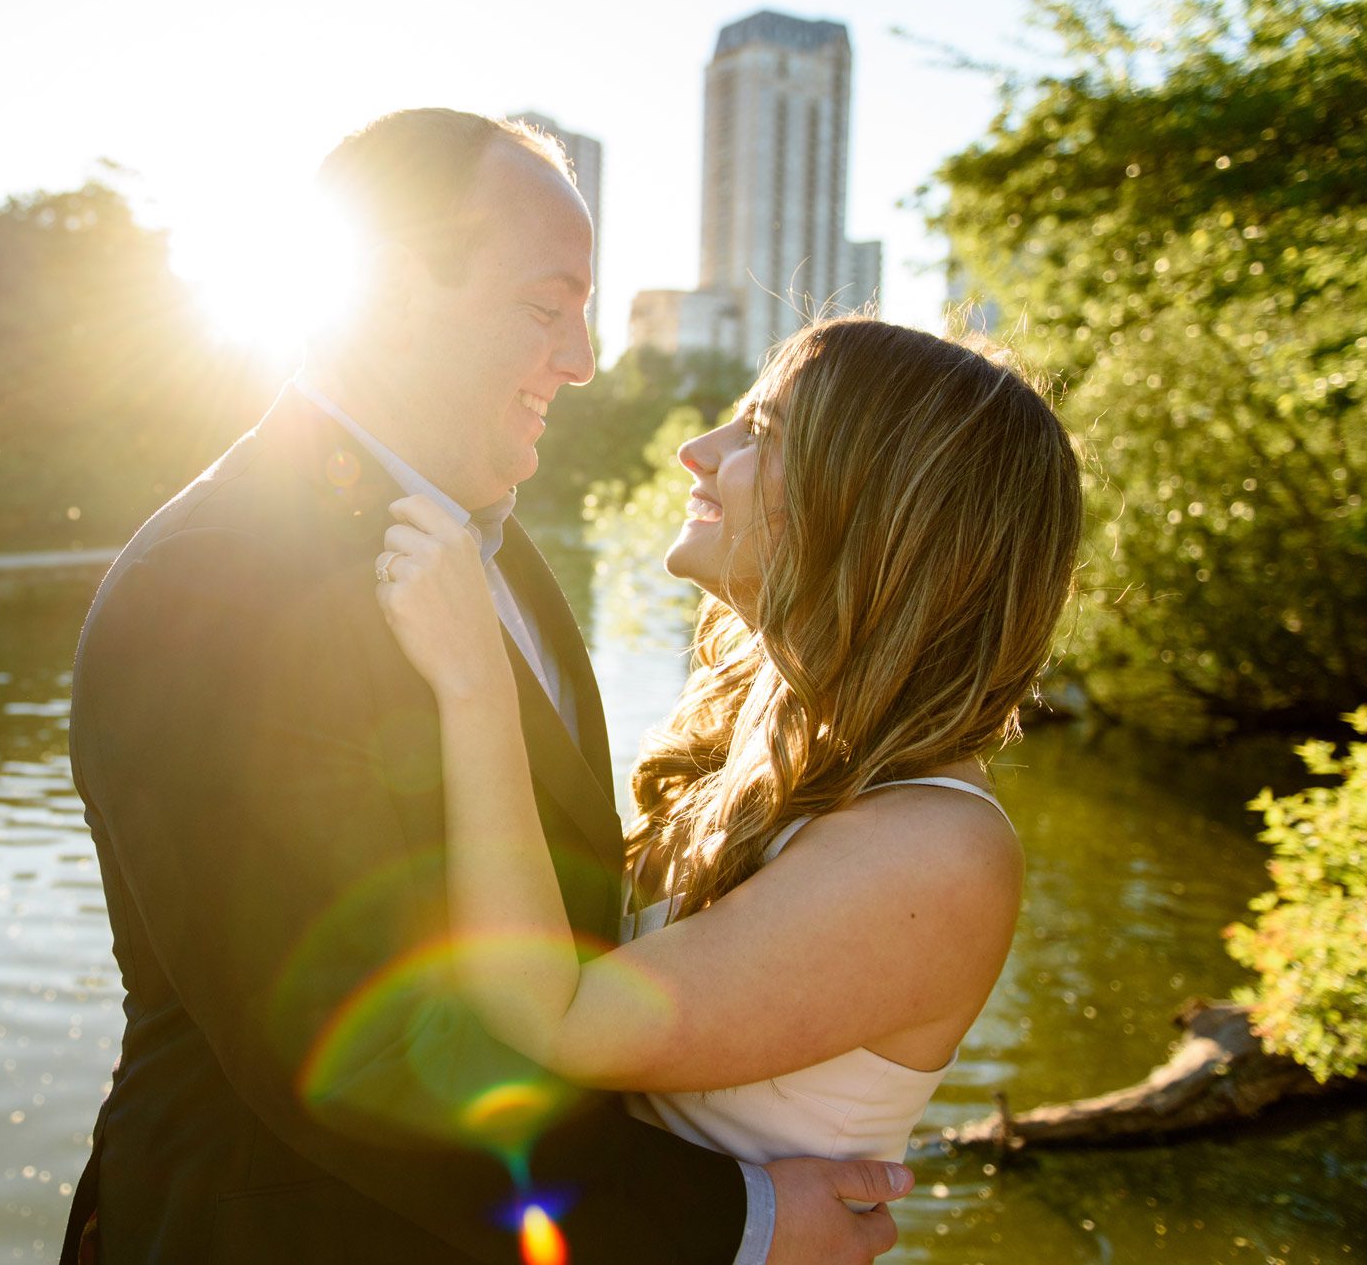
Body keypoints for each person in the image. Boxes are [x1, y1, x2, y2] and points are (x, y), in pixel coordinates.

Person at [61, 111, 913, 1264]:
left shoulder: (498, 548)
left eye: (585, 308)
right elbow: (344, 1050)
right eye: (540, 305)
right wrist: (734, 1224)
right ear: (383, 294)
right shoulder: (213, 583)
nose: (582, 357)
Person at [373, 316, 1081, 1177]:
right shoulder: (761, 746)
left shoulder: (940, 852)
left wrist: (475, 684)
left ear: (877, 507)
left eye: (760, 432)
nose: (696, 451)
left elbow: (558, 1019)